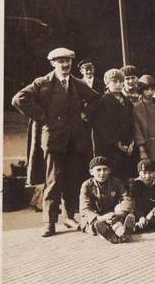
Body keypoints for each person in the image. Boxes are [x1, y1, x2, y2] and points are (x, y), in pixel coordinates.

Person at [11, 47, 100, 237]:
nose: (65, 65)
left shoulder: (77, 83)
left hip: (74, 141)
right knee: (52, 182)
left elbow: (95, 99)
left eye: (68, 61)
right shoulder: (43, 83)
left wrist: (85, 114)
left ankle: (69, 217)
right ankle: (49, 222)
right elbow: (18, 99)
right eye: (61, 61)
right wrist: (43, 116)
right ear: (53, 63)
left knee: (71, 179)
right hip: (54, 141)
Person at [87, 68, 137, 180]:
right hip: (110, 146)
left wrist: (132, 141)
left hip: (127, 144)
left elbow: (131, 121)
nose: (118, 84)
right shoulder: (102, 102)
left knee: (127, 173)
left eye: (121, 81)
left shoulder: (127, 101)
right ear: (107, 83)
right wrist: (117, 143)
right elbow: (102, 126)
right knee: (114, 173)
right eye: (114, 82)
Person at [78, 156, 136, 244]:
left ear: (109, 171)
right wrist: (101, 218)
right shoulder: (86, 185)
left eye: (105, 169)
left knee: (117, 216)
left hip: (113, 215)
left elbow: (127, 199)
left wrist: (120, 214)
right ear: (91, 172)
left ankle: (122, 233)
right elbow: (85, 209)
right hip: (96, 217)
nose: (102, 173)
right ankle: (113, 233)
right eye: (98, 170)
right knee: (95, 225)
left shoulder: (116, 182)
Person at [128, 158, 155, 232]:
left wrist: (152, 212)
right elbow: (136, 202)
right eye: (144, 173)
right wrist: (141, 216)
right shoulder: (135, 183)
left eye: (150, 172)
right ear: (139, 173)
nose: (147, 176)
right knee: (132, 215)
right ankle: (138, 225)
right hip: (143, 212)